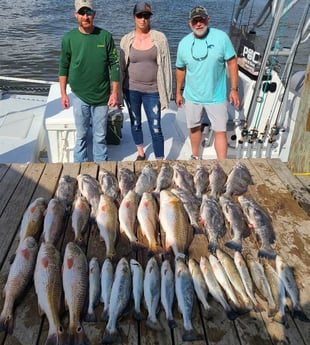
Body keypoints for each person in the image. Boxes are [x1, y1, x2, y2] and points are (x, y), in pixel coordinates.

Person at [175, 6, 240, 160]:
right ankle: (195, 156)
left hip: (216, 96)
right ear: (190, 23)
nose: (199, 23)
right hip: (192, 96)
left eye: (202, 19)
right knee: (194, 127)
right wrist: (178, 92)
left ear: (208, 20)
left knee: (220, 131)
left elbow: (232, 62)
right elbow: (180, 69)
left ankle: (222, 163)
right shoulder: (183, 43)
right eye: (195, 21)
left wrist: (234, 89)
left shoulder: (221, 37)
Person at [59, 0, 120, 162]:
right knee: (81, 135)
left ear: (94, 14)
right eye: (82, 13)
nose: (86, 16)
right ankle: (80, 169)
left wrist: (114, 93)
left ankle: (102, 169)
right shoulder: (69, 38)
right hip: (79, 95)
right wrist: (63, 94)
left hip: (102, 96)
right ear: (76, 15)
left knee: (100, 136)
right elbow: (63, 66)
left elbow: (114, 65)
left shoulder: (105, 36)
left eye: (89, 13)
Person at [120, 2, 172, 161]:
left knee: (156, 127)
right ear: (133, 17)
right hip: (131, 89)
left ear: (150, 18)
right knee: (135, 123)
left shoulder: (160, 38)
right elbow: (121, 67)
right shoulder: (126, 39)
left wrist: (166, 94)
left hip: (153, 91)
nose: (143, 19)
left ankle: (160, 160)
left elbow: (166, 67)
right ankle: (141, 153)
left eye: (146, 16)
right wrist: (117, 93)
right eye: (139, 16)